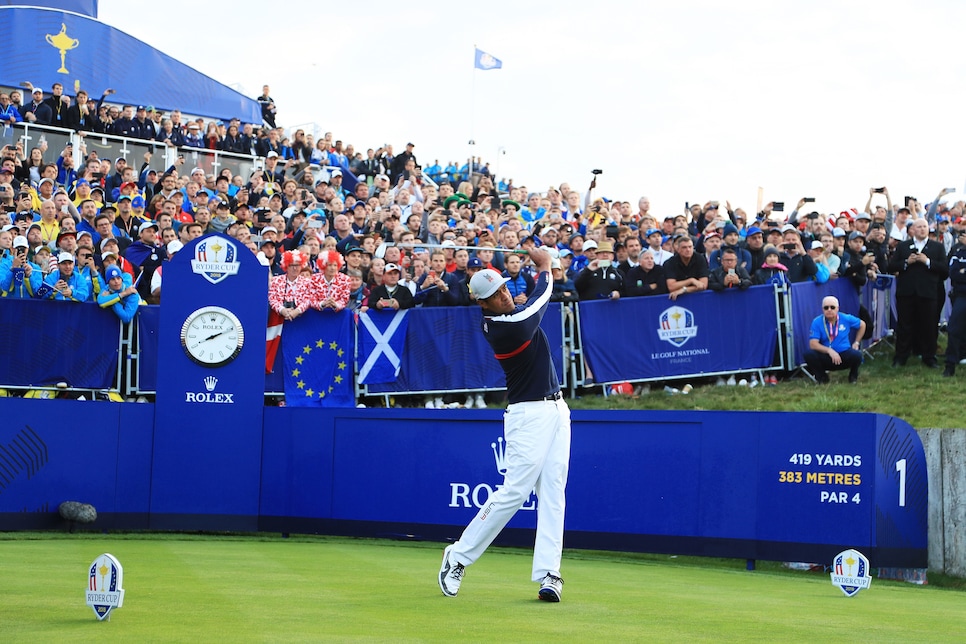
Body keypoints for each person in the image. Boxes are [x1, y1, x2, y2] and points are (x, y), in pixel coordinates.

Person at [439, 247, 570, 603]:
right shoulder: (503, 327)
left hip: (557, 409)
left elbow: (528, 304)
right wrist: (545, 267)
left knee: (553, 492)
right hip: (528, 415)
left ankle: (549, 574)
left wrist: (536, 274)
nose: (504, 294)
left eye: (504, 288)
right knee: (514, 492)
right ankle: (458, 556)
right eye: (495, 294)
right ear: (483, 304)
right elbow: (542, 299)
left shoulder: (511, 312)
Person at [888, 218, 948, 368]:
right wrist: (907, 262)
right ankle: (901, 357)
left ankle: (929, 357)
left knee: (929, 326)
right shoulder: (903, 246)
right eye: (919, 227)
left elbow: (945, 271)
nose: (922, 229)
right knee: (904, 326)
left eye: (924, 227)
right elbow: (891, 266)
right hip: (906, 293)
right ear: (913, 229)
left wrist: (928, 262)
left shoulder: (937, 247)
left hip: (928, 293)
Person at [804, 296, 866, 384]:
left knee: (857, 355)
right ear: (822, 309)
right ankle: (822, 378)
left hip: (844, 354)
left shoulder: (846, 318)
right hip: (826, 356)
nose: (829, 310)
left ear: (837, 309)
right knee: (808, 354)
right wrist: (829, 351)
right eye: (826, 308)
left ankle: (853, 377)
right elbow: (813, 344)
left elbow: (862, 325)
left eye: (832, 307)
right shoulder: (817, 322)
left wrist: (856, 342)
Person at [944, 229, 966, 376]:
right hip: (962, 296)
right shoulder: (958, 254)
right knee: (954, 330)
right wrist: (961, 273)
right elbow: (953, 273)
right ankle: (950, 365)